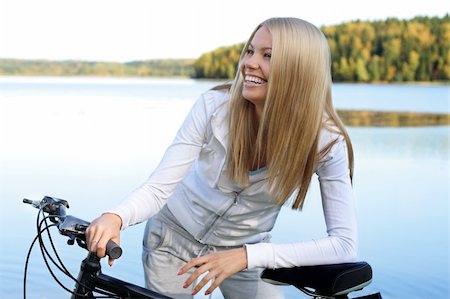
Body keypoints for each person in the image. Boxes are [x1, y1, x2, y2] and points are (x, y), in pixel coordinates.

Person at [86, 17, 358, 299]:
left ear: (300, 71)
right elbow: (159, 189)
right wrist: (115, 216)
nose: (249, 63)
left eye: (268, 56)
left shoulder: (326, 142)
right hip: (172, 243)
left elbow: (344, 244)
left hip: (250, 255)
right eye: (250, 51)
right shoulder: (214, 107)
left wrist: (248, 256)